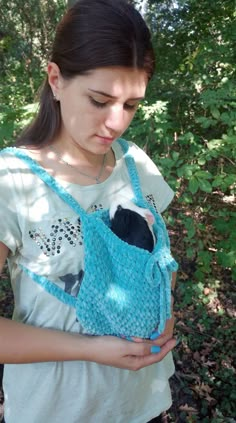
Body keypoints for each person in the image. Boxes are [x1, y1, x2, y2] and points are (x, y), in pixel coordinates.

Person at [0, 0, 178, 422]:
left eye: (131, 105)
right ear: (56, 79)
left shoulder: (137, 165)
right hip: (56, 408)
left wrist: (164, 312)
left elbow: (159, 263)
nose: (116, 122)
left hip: (142, 403)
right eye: (100, 100)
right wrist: (92, 350)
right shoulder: (11, 179)